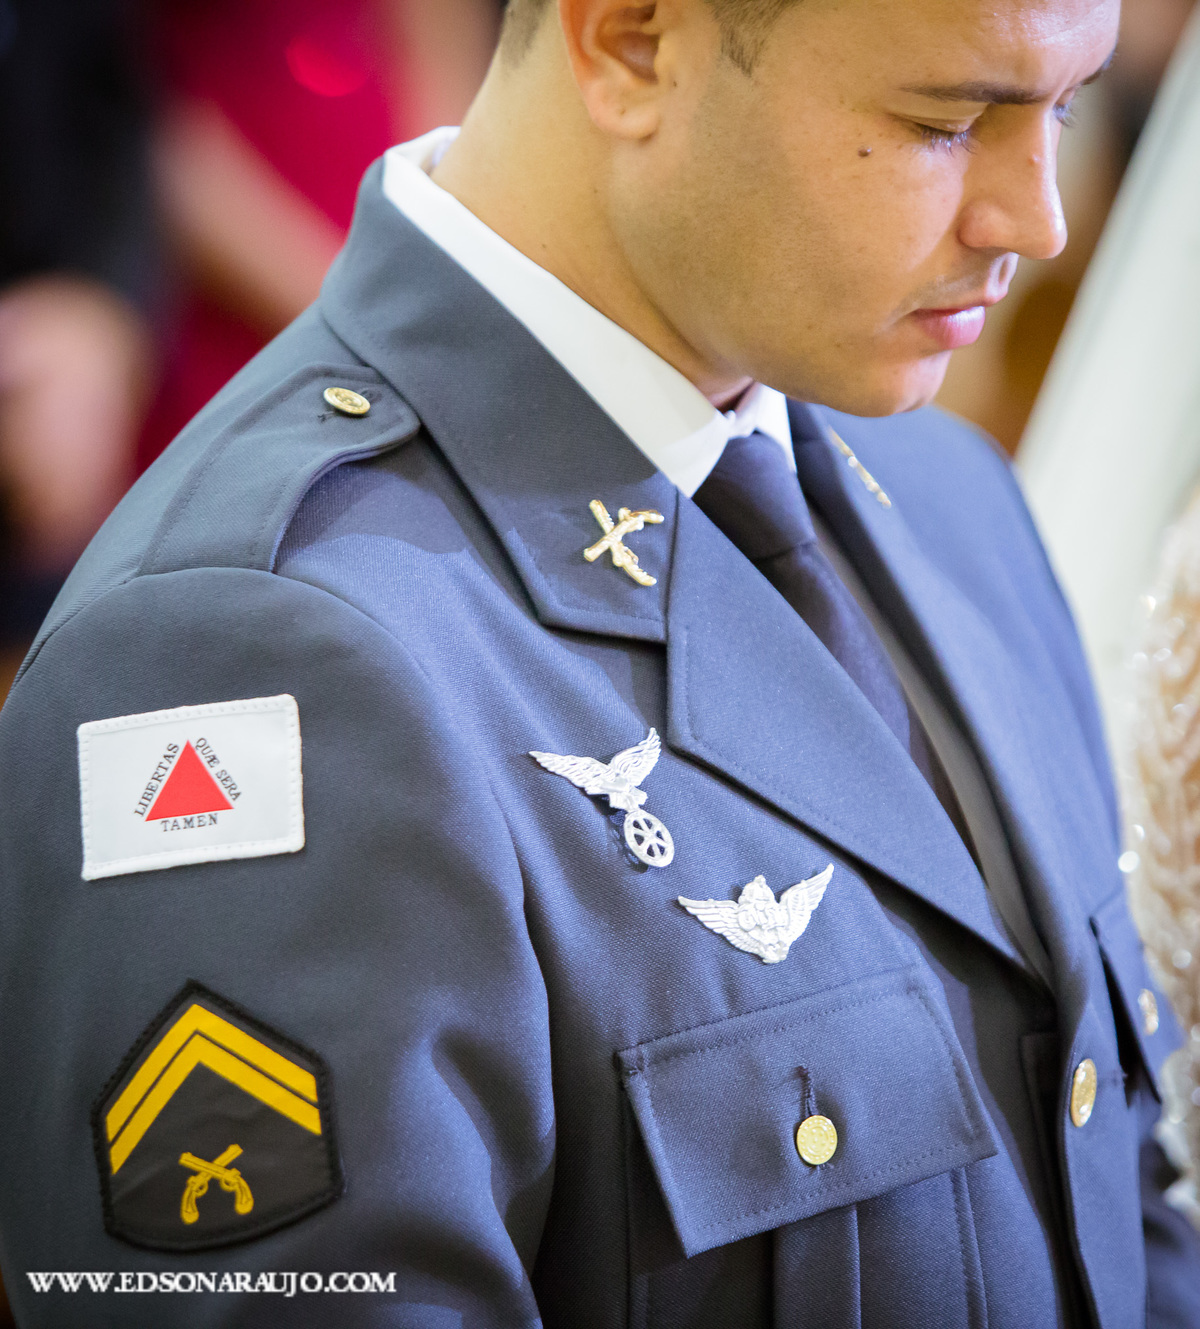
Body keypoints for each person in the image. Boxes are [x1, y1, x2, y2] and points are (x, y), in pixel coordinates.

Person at [0, 1, 1197, 1326]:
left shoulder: (949, 499)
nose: (1037, 221)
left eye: (1069, 105)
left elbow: (1122, 1215)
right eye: (948, 122)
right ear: (632, 43)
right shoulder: (255, 657)